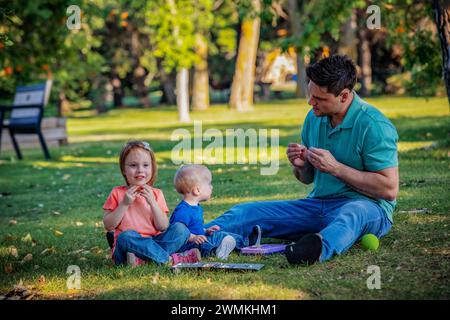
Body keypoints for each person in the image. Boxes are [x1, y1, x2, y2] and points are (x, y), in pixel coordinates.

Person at [204, 55, 399, 265]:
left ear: (343, 96)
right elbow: (306, 179)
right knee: (247, 211)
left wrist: (336, 168)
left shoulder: (374, 125)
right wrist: (301, 166)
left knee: (353, 213)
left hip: (368, 208)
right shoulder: (314, 117)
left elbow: (388, 189)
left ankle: (313, 250)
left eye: (319, 98)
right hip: (318, 205)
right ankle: (195, 238)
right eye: (310, 94)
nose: (310, 102)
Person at [103, 140, 201, 267]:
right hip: (128, 247)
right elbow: (109, 225)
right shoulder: (117, 193)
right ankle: (170, 260)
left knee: (180, 229)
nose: (140, 170)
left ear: (152, 168)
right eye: (133, 165)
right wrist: (124, 204)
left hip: (154, 242)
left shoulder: (156, 194)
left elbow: (163, 226)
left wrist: (153, 203)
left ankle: (143, 261)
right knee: (126, 236)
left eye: (145, 165)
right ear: (124, 170)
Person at [170, 164, 246, 260]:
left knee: (221, 235)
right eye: (209, 184)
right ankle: (218, 251)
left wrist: (206, 230)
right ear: (197, 190)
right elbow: (177, 233)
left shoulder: (196, 207)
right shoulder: (183, 211)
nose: (212, 187)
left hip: (199, 239)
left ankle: (245, 243)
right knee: (209, 243)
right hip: (189, 246)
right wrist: (193, 238)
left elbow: (194, 227)